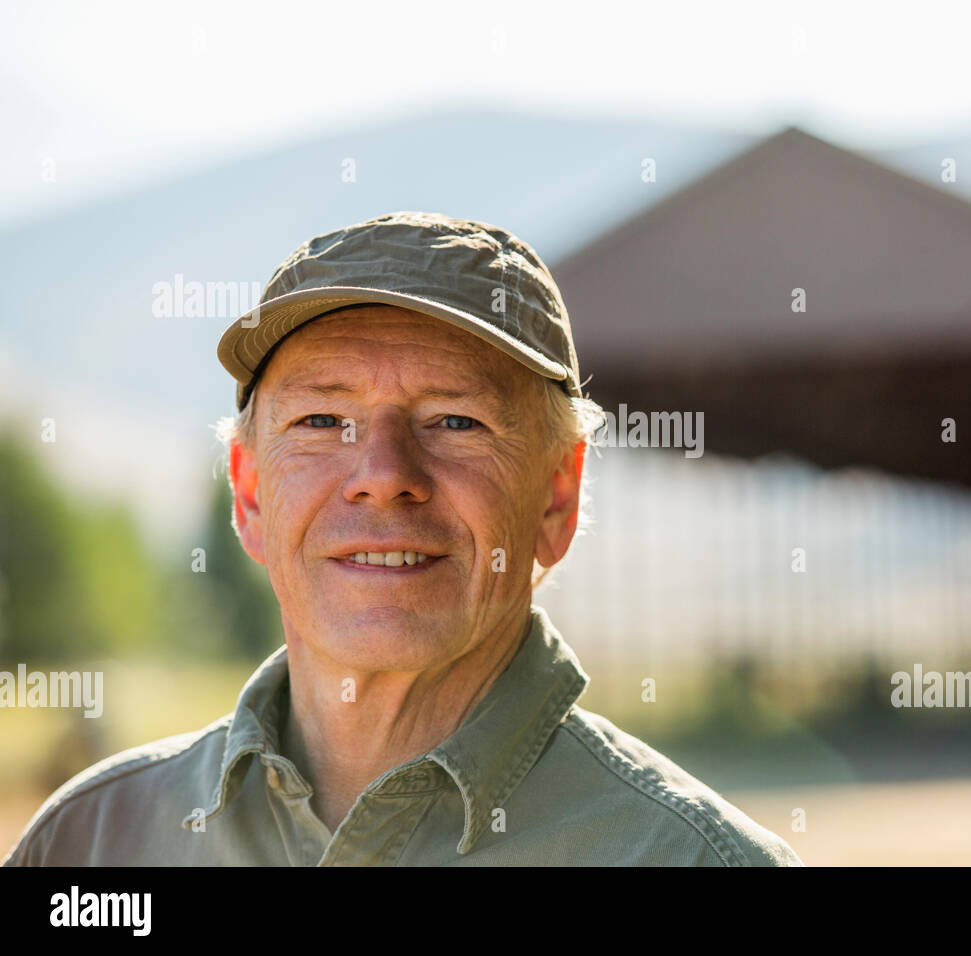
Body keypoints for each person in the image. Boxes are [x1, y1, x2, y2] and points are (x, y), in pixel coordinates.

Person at [4, 212, 802, 866]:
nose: (384, 474)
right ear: (249, 493)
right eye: (322, 420)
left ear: (557, 497)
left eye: (456, 420)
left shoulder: (696, 862)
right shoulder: (88, 846)